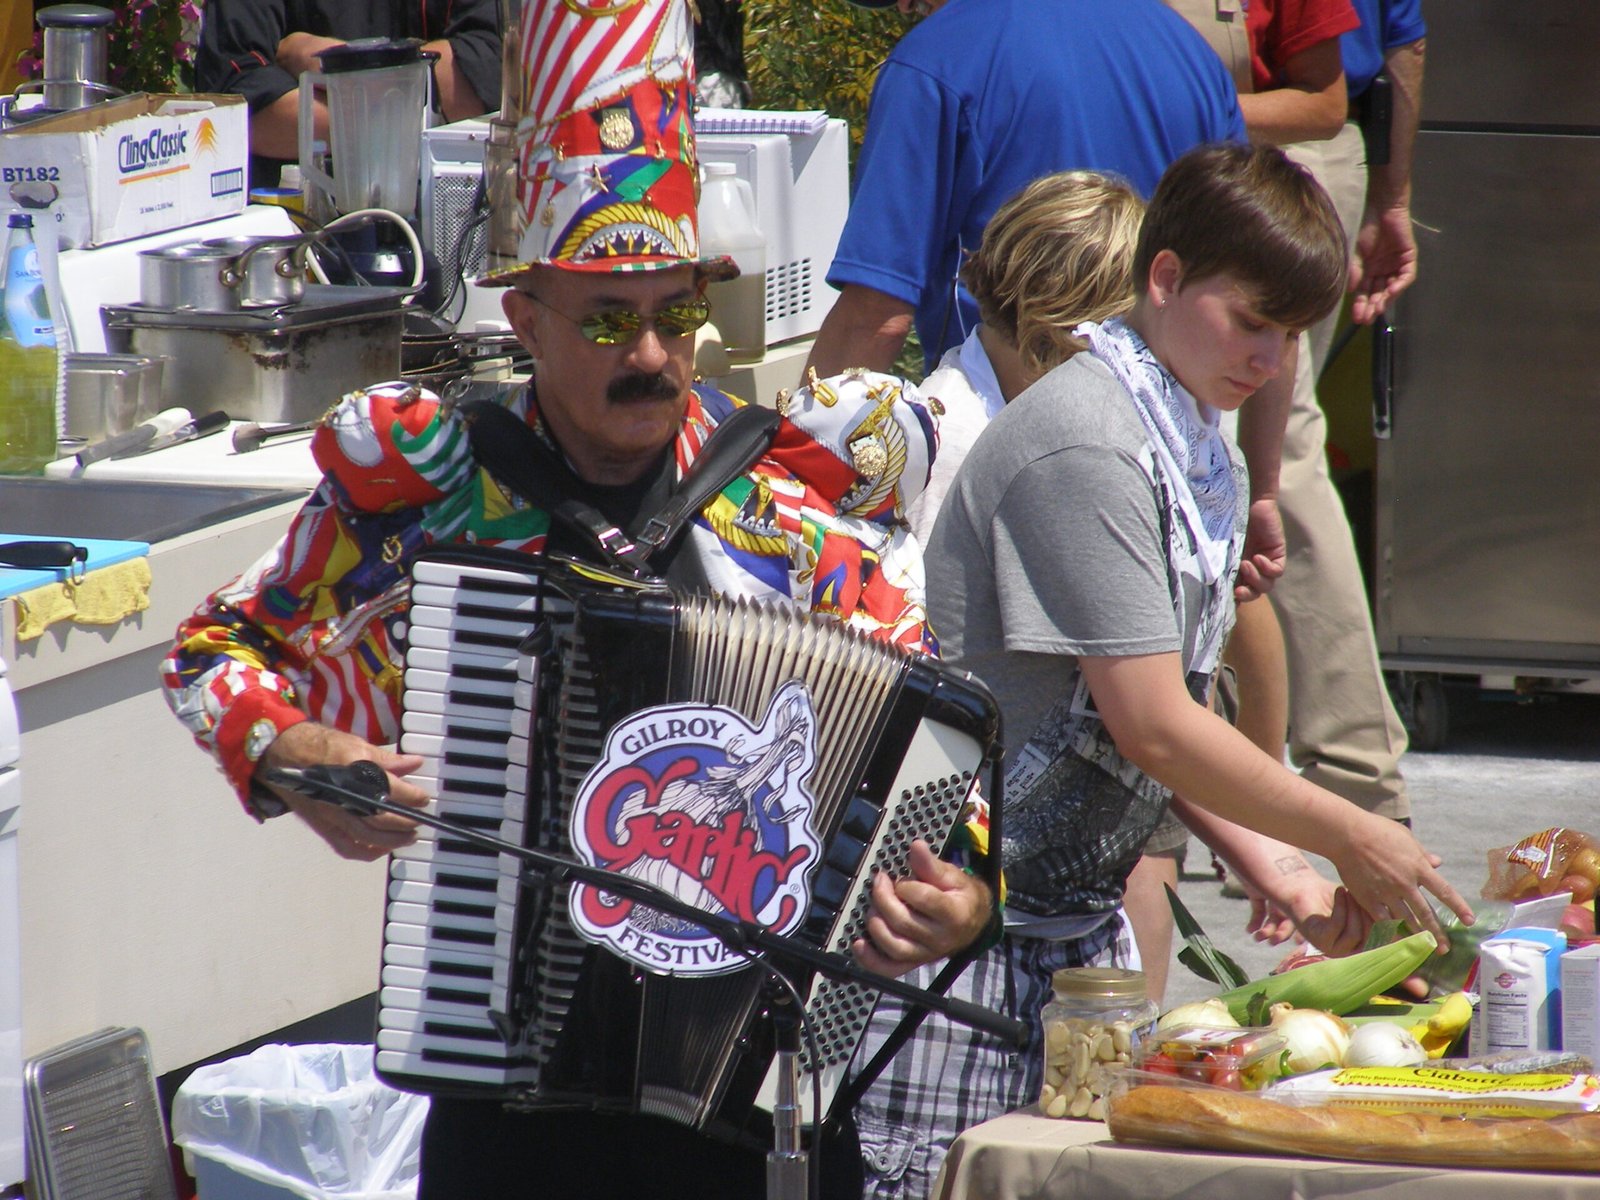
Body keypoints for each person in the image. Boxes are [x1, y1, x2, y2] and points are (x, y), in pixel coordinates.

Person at [163, 3, 989, 1195]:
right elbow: (212, 654)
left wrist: (959, 894)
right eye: (607, 319)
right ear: (526, 319)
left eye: (676, 314)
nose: (650, 353)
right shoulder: (434, 493)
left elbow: (932, 749)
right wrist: (294, 751)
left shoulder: (791, 505)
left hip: (754, 1103)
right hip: (509, 1094)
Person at [855, 142, 1472, 1197]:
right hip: (948, 931)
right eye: (1252, 324)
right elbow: (1147, 724)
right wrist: (1346, 827)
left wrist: (1276, 865)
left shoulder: (1187, 437)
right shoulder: (1089, 445)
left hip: (1054, 924)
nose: (1271, 363)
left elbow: (1155, 713)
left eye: (1291, 336)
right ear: (1165, 278)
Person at [805, 0, 1247, 380]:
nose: (904, 6)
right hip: (1165, 433)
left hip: (1003, 429)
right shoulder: (1191, 54)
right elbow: (1252, 282)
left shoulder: (935, 59)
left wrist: (798, 468)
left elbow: (874, 319)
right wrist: (1265, 480)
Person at [195, 0, 501, 191]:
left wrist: (328, 60)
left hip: (450, 217)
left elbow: (482, 70)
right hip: (301, 221)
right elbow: (239, 108)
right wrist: (410, 96)